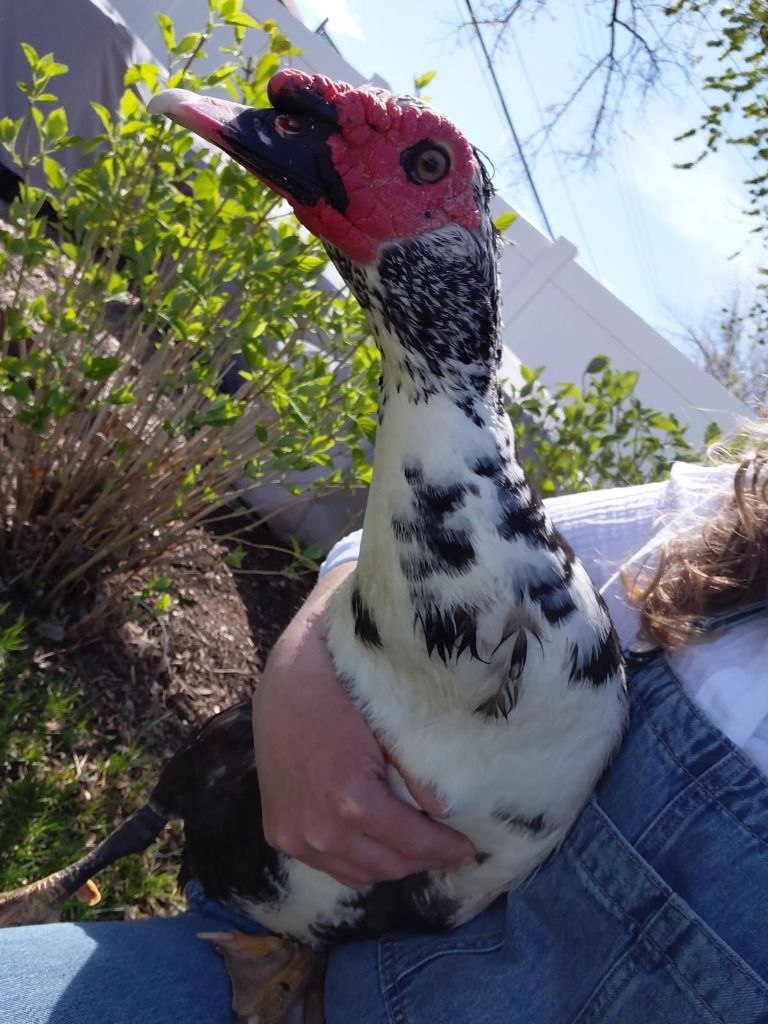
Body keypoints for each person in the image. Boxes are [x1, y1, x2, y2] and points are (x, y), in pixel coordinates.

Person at [1, 452, 767, 1023]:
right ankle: (72, 880)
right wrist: (304, 666)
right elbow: (426, 536)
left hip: (344, 943)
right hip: (310, 952)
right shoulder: (735, 521)